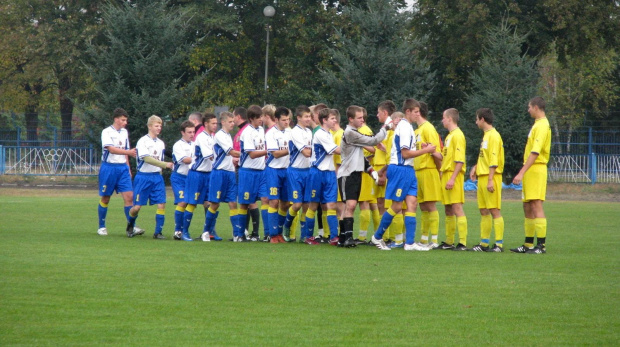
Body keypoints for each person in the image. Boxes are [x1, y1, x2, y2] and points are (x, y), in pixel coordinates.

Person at [371, 98, 436, 251]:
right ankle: (377, 237)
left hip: (408, 170)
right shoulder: (405, 128)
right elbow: (405, 153)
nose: (417, 115)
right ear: (408, 111)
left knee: (412, 203)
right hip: (400, 169)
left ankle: (410, 243)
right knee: (397, 206)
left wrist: (422, 147)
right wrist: (426, 150)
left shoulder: (408, 127)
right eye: (415, 112)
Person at [338, 105, 387, 247]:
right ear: (350, 119)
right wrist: (385, 128)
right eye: (359, 118)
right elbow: (373, 141)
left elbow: (361, 158)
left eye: (363, 117)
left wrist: (372, 172)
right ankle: (348, 239)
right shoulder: (350, 132)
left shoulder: (355, 133)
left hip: (355, 174)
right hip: (347, 174)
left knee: (349, 206)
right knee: (351, 205)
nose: (362, 120)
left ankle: (343, 238)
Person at [511, 97, 551, 254]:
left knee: (536, 204)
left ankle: (541, 246)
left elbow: (535, 152)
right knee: (527, 206)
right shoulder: (536, 125)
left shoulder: (542, 125)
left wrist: (521, 172)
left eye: (529, 107)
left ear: (536, 107)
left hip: (536, 168)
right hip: (530, 170)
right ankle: (528, 244)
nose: (528, 110)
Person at [126, 115, 174, 239]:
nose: (159, 128)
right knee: (136, 207)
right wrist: (165, 165)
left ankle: (158, 232)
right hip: (143, 177)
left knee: (162, 204)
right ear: (149, 126)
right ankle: (130, 224)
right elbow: (147, 159)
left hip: (157, 178)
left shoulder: (160, 143)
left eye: (160, 126)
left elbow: (160, 158)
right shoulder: (143, 141)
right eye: (156, 126)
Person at [97, 108, 142, 237]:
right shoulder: (106, 132)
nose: (125, 122)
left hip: (122, 168)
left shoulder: (124, 132)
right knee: (106, 198)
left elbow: (126, 150)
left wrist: (128, 167)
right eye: (123, 120)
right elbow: (111, 149)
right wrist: (128, 152)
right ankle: (101, 226)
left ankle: (131, 226)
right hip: (109, 168)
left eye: (126, 120)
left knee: (129, 197)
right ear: (116, 119)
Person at [303, 108, 341, 245]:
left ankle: (333, 237)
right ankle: (308, 236)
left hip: (329, 173)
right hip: (317, 173)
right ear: (324, 120)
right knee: (313, 205)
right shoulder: (320, 134)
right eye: (332, 118)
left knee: (331, 205)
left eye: (335, 118)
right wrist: (353, 145)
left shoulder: (328, 134)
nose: (335, 120)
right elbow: (336, 150)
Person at [469, 108, 505, 252]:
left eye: (477, 119)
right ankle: (484, 244)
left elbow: (494, 161)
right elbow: (486, 156)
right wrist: (476, 167)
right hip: (483, 177)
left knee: (494, 210)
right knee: (483, 211)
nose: (476, 122)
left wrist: (490, 180)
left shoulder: (494, 136)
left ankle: (499, 245)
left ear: (483, 119)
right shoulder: (486, 136)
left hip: (491, 177)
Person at [203, 112, 243, 241]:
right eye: (230, 122)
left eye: (233, 121)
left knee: (233, 203)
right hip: (219, 173)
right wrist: (247, 153)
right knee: (215, 204)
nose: (233, 124)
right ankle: (206, 232)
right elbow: (231, 152)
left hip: (230, 173)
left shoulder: (228, 136)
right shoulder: (219, 135)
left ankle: (236, 234)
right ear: (223, 122)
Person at [180, 113, 217, 241]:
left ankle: (208, 232)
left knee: (209, 202)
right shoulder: (201, 137)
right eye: (213, 123)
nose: (215, 125)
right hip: (197, 174)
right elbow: (210, 156)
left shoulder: (212, 137)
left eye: (216, 123)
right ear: (206, 124)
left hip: (208, 174)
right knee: (192, 203)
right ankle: (184, 232)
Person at [436, 108, 468, 251]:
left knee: (456, 207)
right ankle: (449, 241)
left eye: (443, 117)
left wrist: (453, 178)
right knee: (448, 208)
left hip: (453, 175)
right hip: (447, 174)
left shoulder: (458, 136)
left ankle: (462, 243)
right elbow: (445, 157)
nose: (442, 120)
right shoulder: (449, 136)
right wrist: (431, 151)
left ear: (449, 118)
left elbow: (459, 160)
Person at [283, 106, 314, 244]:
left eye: (309, 116)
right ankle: (286, 227)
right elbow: (306, 153)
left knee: (307, 204)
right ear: (299, 118)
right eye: (306, 116)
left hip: (308, 171)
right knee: (297, 204)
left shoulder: (309, 132)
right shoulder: (295, 132)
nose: (308, 119)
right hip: (295, 172)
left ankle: (304, 236)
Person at [414, 102, 443, 248]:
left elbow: (438, 154)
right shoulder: (418, 130)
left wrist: (440, 172)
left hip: (428, 170)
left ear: (418, 112)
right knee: (423, 206)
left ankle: (435, 240)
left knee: (430, 205)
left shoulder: (429, 128)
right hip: (418, 170)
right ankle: (424, 239)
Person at [237, 105, 268, 242]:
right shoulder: (247, 132)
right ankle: (240, 234)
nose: (261, 119)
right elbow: (252, 154)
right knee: (245, 203)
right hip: (248, 172)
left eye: (261, 116)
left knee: (264, 199)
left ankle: (259, 234)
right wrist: (269, 151)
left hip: (261, 172)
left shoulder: (261, 129)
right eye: (258, 117)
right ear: (251, 119)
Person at [265, 106, 292, 243]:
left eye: (288, 119)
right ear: (276, 120)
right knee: (274, 201)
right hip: (273, 171)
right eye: (283, 120)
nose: (286, 122)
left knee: (285, 203)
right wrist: (291, 149)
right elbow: (275, 154)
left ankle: (279, 232)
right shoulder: (271, 134)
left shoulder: (290, 132)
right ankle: (272, 234)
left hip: (286, 170)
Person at [171, 121, 195, 240]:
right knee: (182, 202)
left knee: (191, 203)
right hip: (179, 177)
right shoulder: (178, 145)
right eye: (189, 132)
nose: (192, 134)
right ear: (182, 132)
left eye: (193, 132)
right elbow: (185, 160)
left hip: (191, 178)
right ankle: (178, 231)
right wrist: (199, 158)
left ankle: (185, 231)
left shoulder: (195, 145)